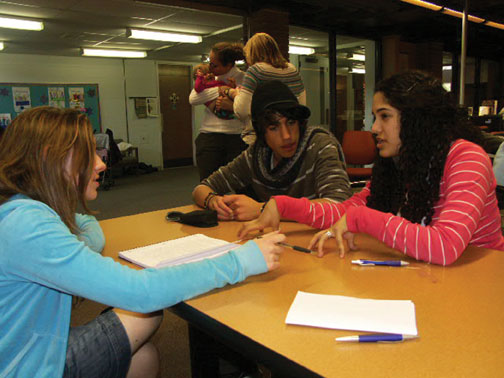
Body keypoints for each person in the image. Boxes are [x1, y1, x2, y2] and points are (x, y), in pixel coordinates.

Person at [0, 106, 285, 377]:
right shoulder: (30, 225)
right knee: (145, 312)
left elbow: (87, 229)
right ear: (52, 157)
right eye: (89, 153)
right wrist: (242, 260)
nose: (101, 163)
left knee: (143, 357)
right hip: (26, 367)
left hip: (31, 347)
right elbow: (141, 291)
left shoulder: (24, 212)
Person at [239, 71, 504, 266]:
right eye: (375, 117)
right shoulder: (399, 161)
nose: (374, 128)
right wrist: (282, 205)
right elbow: (345, 212)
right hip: (431, 279)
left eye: (385, 116)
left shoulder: (467, 159)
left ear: (417, 118)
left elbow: (445, 247)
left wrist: (362, 219)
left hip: (481, 284)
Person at [193, 80, 352, 222]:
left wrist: (263, 209)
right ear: (262, 132)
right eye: (274, 128)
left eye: (291, 122)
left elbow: (338, 204)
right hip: (278, 243)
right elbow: (201, 189)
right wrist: (213, 202)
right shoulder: (257, 155)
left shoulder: (320, 145)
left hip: (321, 243)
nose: (287, 136)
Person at [218, 32, 306, 144]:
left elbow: (242, 110)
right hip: (290, 137)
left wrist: (234, 93)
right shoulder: (293, 70)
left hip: (260, 139)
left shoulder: (256, 71)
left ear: (251, 53)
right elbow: (301, 105)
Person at [189, 42, 248, 180]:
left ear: (228, 65)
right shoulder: (210, 77)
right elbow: (193, 98)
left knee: (244, 186)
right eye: (210, 63)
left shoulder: (244, 79)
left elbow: (249, 109)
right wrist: (223, 90)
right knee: (208, 187)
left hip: (237, 137)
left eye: (214, 65)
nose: (210, 68)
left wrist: (232, 105)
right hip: (209, 137)